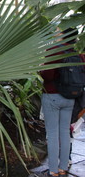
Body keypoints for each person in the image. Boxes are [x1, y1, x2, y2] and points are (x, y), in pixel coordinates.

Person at [40, 28, 79, 177]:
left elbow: (47, 75)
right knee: (64, 132)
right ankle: (63, 167)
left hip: (52, 96)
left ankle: (53, 170)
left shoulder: (54, 50)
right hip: (70, 97)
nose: (56, 32)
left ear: (63, 34)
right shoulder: (74, 52)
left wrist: (40, 69)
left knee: (52, 133)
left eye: (58, 30)